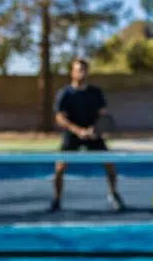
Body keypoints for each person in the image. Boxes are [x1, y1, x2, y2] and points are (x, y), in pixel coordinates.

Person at [49, 57, 125, 212]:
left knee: (110, 165)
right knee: (59, 168)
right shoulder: (65, 94)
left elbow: (103, 115)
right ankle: (56, 199)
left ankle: (113, 194)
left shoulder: (95, 93)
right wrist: (78, 131)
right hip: (72, 136)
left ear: (87, 72)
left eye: (83, 70)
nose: (81, 73)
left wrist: (94, 130)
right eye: (78, 70)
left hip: (93, 136)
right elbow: (60, 118)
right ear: (72, 72)